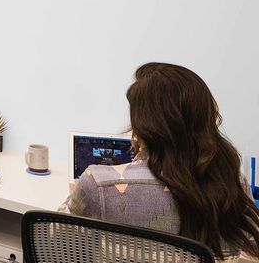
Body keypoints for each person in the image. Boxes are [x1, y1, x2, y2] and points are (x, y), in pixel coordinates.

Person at [60, 63, 259, 261]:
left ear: (142, 126)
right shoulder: (232, 182)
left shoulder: (98, 184)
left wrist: (82, 196)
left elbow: (52, 245)